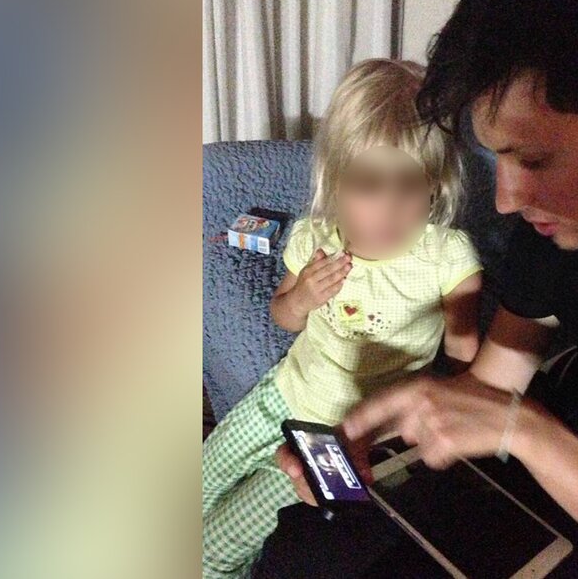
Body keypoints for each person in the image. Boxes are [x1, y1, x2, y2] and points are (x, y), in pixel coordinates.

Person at [275, 0, 578, 576]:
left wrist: (525, 431)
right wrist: (384, 427)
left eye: (533, 160)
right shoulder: (558, 227)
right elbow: (494, 383)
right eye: (497, 158)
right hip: (557, 485)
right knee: (307, 551)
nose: (506, 200)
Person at [202, 59, 484, 579]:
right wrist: (303, 296)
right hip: (279, 396)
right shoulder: (314, 238)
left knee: (219, 546)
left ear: (437, 183)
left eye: (410, 186)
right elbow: (283, 317)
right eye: (366, 185)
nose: (388, 210)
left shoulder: (448, 259)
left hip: (341, 439)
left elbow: (466, 363)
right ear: (334, 180)